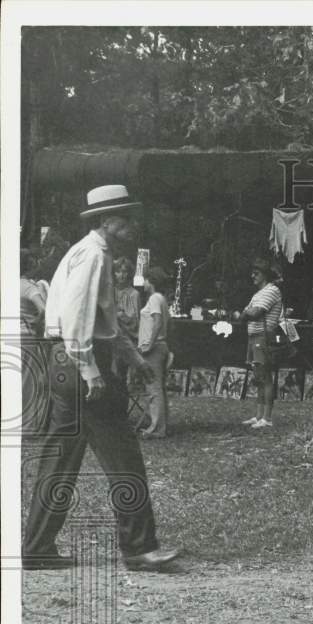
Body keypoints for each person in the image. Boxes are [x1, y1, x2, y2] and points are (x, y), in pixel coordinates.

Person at [22, 184, 180, 571]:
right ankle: (140, 548)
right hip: (82, 365)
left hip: (63, 363)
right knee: (125, 460)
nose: (132, 225)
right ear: (106, 222)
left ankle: (37, 547)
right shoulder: (93, 255)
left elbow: (102, 320)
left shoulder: (86, 252)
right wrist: (91, 372)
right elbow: (78, 320)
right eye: (125, 218)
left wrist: (132, 358)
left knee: (59, 463)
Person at [239, 256, 283, 428]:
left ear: (265, 275)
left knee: (265, 377)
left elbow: (254, 312)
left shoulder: (272, 290)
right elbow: (245, 314)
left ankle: (267, 417)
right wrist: (246, 312)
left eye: (256, 273)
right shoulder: (258, 293)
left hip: (263, 337)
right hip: (254, 337)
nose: (252, 276)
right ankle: (258, 416)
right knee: (258, 377)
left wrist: (246, 312)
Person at [137, 266, 172, 438]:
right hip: (161, 346)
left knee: (153, 388)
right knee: (158, 387)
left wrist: (149, 344)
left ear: (151, 281)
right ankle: (161, 425)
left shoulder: (154, 299)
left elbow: (157, 322)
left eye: (145, 279)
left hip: (154, 348)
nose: (143, 283)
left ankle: (157, 428)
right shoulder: (162, 299)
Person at [20, 249, 49, 435]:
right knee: (30, 382)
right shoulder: (30, 287)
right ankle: (29, 426)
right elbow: (44, 309)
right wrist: (37, 322)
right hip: (28, 337)